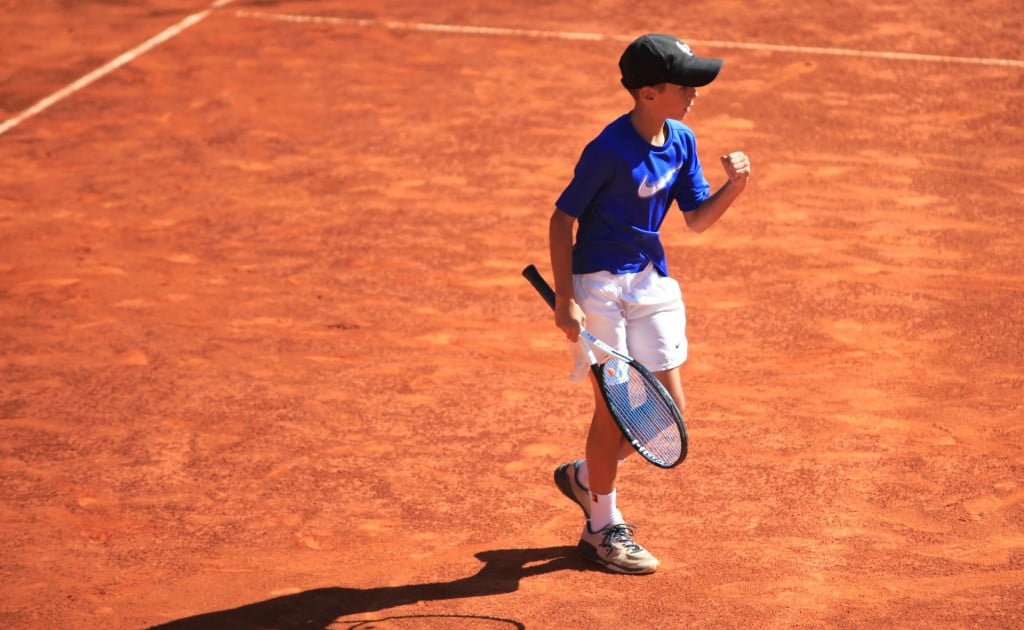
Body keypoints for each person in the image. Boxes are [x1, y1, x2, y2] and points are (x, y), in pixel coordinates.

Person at [548, 33, 751, 574]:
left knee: (666, 418)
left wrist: (736, 186)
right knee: (616, 412)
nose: (694, 94)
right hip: (599, 287)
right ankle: (600, 529)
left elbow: (697, 217)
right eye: (684, 86)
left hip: (649, 282)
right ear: (647, 92)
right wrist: (566, 299)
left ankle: (588, 478)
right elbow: (562, 219)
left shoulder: (681, 139)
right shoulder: (609, 149)